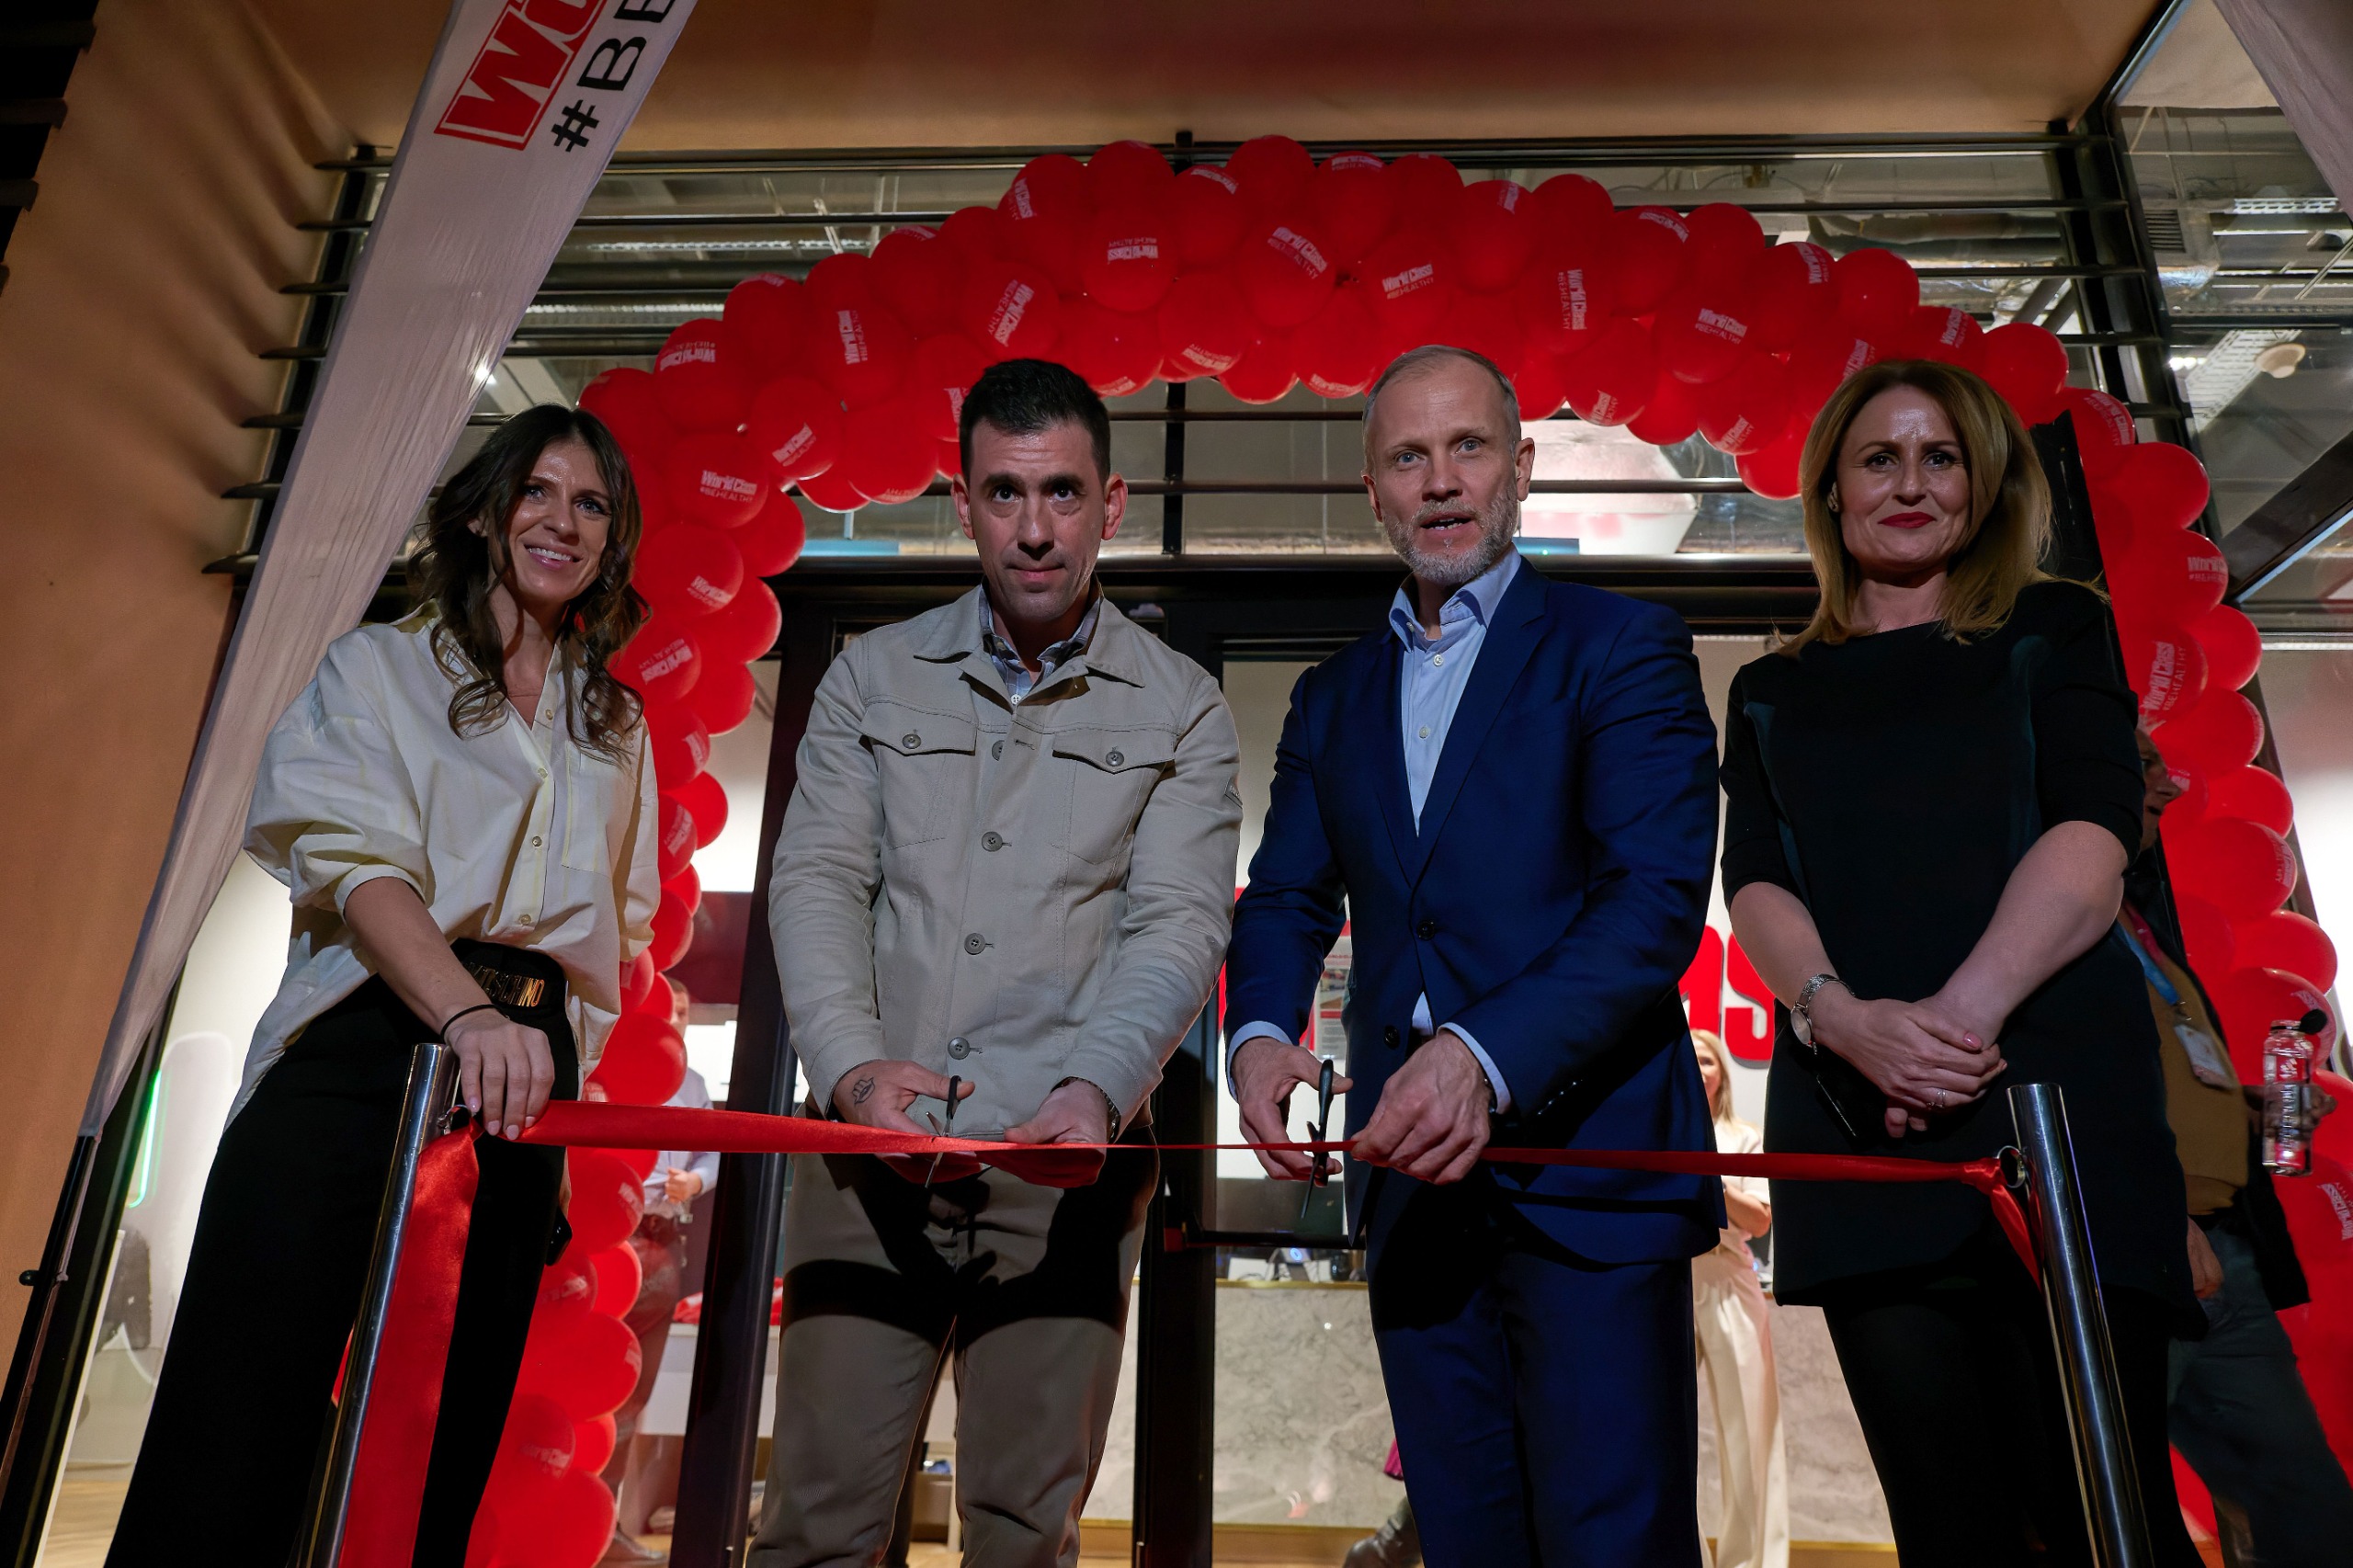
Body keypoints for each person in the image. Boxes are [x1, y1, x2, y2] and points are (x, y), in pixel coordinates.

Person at [108, 404, 659, 1568]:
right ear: (483, 511)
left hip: (523, 1078)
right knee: (240, 1408)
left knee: (441, 1437)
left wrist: (556, 1094)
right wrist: (464, 1011)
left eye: (592, 504)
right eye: (537, 491)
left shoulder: (615, 722)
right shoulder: (378, 666)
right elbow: (355, 865)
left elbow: (614, 930)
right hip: (368, 1033)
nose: (562, 522)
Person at [1227, 345, 1723, 1567]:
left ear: (1522, 466)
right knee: (1463, 1541)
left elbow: (1652, 902)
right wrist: (1261, 1034)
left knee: (1614, 1548)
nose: (1441, 480)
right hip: (1412, 1194)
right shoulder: (1330, 697)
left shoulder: (1622, 646)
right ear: (1373, 491)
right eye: (1409, 456)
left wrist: (1478, 1053)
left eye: (1468, 447)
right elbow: (1286, 893)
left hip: (1592, 1174)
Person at [753, 358, 1241, 1568]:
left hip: (1063, 1179)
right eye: (1005, 492)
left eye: (1062, 491)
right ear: (962, 500)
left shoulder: (1182, 706)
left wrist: (1096, 1088)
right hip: (866, 1164)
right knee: (814, 1530)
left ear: (1111, 502)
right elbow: (817, 881)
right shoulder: (871, 677)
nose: (1034, 527)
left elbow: (1178, 923)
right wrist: (853, 1070)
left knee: (1024, 1537)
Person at [1719, 358, 2200, 1568]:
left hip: (2054, 1121)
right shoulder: (1770, 687)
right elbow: (1757, 881)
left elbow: (2093, 836)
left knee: (2102, 1520)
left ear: (1983, 484)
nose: (1910, 483)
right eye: (1879, 457)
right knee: (1947, 1531)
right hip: (1860, 1128)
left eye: (1941, 457)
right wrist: (1842, 1019)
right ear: (1830, 489)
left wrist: (1947, 1027)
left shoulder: (2053, 625)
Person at [2129, 730, 2353, 1564]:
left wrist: (2241, 1112)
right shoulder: (2055, 921)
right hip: (2142, 1253)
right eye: (2145, 766)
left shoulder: (2138, 920)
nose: (2170, 787)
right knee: (2119, 1504)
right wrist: (2157, 1213)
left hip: (2223, 1253)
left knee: (2307, 1503)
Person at [602, 982, 720, 1566]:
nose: (675, 1019)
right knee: (598, 1385)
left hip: (664, 1241)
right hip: (612, 1238)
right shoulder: (610, 1068)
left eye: (683, 1010)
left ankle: (604, 1526)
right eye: (666, 1008)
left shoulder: (693, 1083)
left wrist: (695, 1181)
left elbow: (711, 1151)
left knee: (635, 1393)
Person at [1689, 1029, 1788, 1568]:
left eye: (1707, 1060)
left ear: (1722, 1075)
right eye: (1689, 1058)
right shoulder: (1653, 1133)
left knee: (1749, 1430)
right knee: (1658, 1428)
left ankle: (1752, 1561)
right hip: (1665, 1281)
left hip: (1729, 1276)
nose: (1698, 1067)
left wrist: (1710, 1178)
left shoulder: (1743, 1138)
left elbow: (1760, 1219)